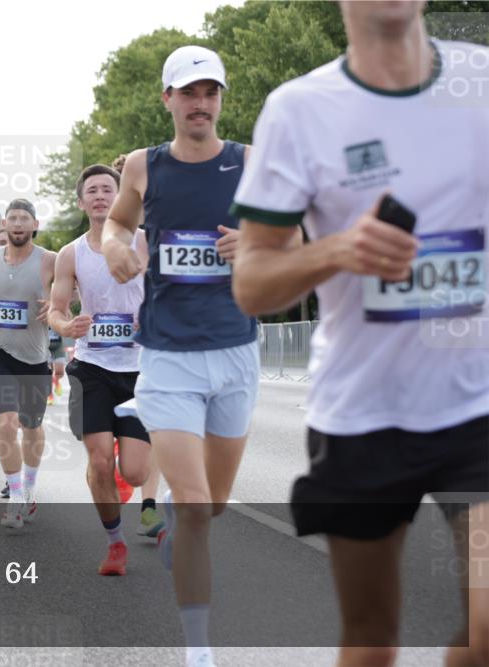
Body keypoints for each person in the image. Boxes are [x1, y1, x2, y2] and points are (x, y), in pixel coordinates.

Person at [230, 3, 489, 665]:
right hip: (364, 414)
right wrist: (337, 251)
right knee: (373, 638)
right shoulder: (300, 109)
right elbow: (253, 281)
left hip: (476, 404)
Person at [102, 45, 253, 667]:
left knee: (211, 506)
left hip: (237, 351)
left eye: (210, 92)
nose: (201, 103)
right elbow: (116, 224)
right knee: (193, 508)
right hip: (167, 357)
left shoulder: (252, 163)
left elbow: (298, 232)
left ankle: (179, 519)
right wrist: (116, 246)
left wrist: (260, 240)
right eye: (189, 92)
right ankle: (199, 652)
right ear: (167, 99)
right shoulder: (143, 166)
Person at [51, 164, 160, 575]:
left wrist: (149, 319)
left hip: (139, 369)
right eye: (91, 191)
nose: (99, 195)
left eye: (107, 189)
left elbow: (170, 296)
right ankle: (115, 545)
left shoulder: (147, 244)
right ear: (81, 203)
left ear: (120, 197)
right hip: (91, 365)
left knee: (132, 470)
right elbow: (57, 311)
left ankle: (125, 464)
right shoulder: (71, 254)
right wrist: (67, 325)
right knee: (99, 464)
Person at [0, 198, 57, 528]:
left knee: (31, 426)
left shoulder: (49, 260)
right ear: (4, 226)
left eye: (25, 218)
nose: (18, 223)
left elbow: (73, 291)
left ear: (34, 225)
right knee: (6, 423)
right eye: (12, 219)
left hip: (35, 357)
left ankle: (31, 486)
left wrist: (56, 304)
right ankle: (17, 497)